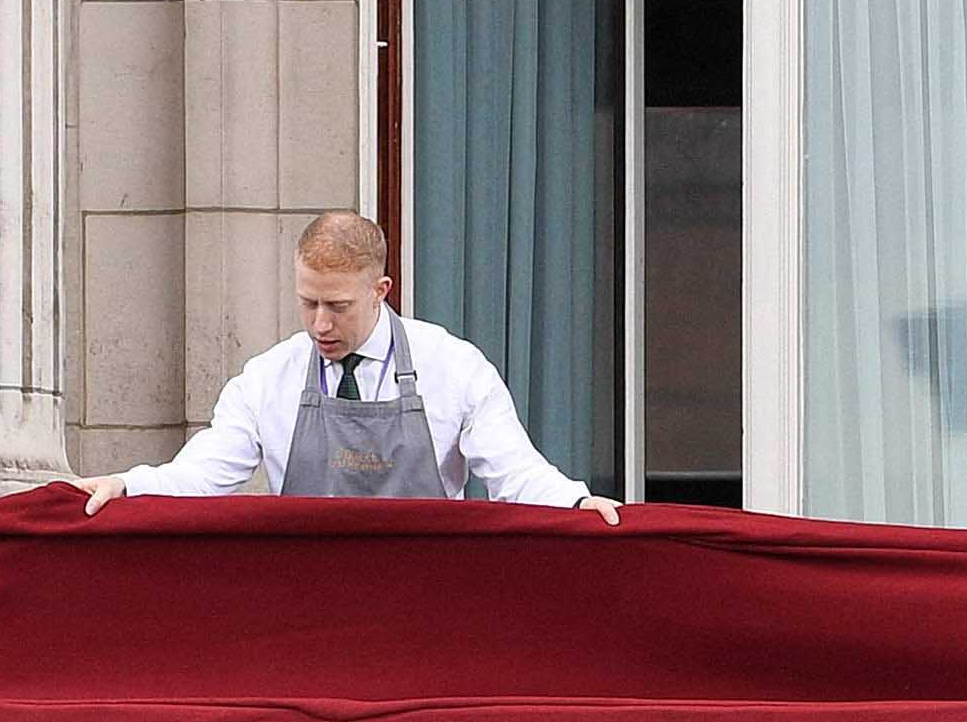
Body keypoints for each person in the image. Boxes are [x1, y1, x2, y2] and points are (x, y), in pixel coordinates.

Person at [66, 213, 622, 519]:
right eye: (307, 302)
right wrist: (127, 484)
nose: (320, 324)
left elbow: (514, 472)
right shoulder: (267, 379)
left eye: (338, 306)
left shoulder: (455, 368)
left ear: (381, 290)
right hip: (308, 604)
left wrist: (576, 501)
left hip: (431, 598)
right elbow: (202, 474)